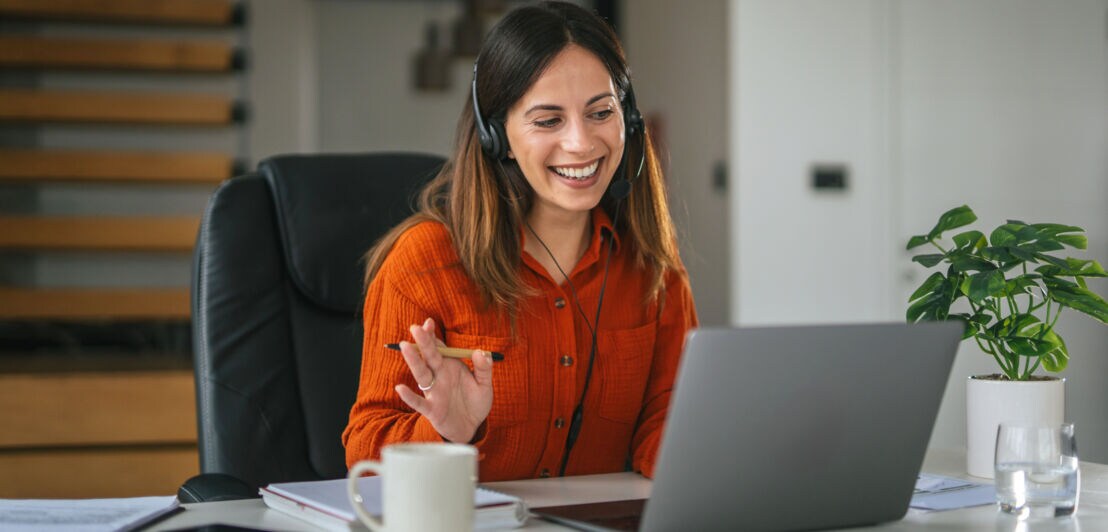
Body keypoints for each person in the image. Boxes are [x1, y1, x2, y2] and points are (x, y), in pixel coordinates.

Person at [342, 0, 697, 482]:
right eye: (548, 120)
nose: (581, 143)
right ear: (497, 136)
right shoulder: (423, 264)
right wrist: (447, 434)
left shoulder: (653, 268)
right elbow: (364, 459)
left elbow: (665, 427)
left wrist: (720, 449)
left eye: (600, 112)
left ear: (627, 121)